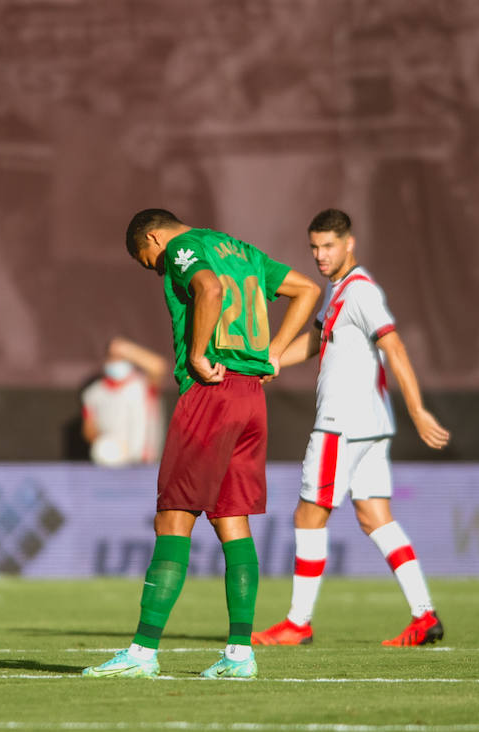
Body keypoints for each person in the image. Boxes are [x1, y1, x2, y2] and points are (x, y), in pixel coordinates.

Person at [82, 208, 321, 678]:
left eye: (146, 258)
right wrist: (272, 353)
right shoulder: (244, 250)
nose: (155, 268)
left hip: (210, 391)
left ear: (153, 236)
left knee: (173, 517)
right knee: (233, 521)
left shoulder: (179, 249)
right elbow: (307, 290)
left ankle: (143, 653)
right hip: (251, 396)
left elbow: (208, 288)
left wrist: (197, 350)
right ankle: (238, 654)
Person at [252, 208, 451, 648]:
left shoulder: (360, 292)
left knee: (308, 516)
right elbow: (317, 338)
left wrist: (418, 411)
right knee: (375, 518)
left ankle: (297, 623)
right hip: (372, 426)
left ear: (349, 244)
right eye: (314, 248)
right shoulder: (337, 289)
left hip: (341, 426)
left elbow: (394, 348)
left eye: (328, 246)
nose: (320, 256)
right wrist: (274, 359)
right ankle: (424, 615)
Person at [81, 337, 167, 467]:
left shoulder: (143, 385)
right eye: (114, 357)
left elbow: (159, 367)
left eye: (122, 357)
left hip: (145, 464)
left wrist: (128, 349)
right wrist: (106, 444)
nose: (117, 361)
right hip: (110, 463)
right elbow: (89, 430)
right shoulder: (93, 393)